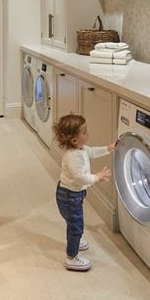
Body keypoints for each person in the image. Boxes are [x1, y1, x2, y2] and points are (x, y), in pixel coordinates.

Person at [53, 114, 116, 271]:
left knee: (73, 223)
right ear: (75, 140)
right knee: (76, 226)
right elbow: (80, 177)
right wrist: (98, 177)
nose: (88, 134)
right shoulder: (73, 157)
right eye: (85, 133)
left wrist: (108, 148)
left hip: (73, 195)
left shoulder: (81, 149)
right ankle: (72, 257)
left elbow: (93, 152)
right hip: (69, 197)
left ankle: (74, 241)